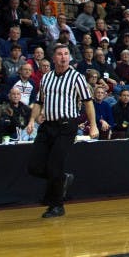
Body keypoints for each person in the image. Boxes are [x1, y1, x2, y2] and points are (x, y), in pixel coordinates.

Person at [25, 44, 97, 218]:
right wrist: (31, 120)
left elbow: (88, 102)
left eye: (66, 54)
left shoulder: (77, 77)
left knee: (54, 165)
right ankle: (62, 178)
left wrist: (93, 125)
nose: (63, 57)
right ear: (53, 58)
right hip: (47, 125)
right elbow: (39, 102)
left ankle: (56, 206)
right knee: (33, 166)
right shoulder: (46, 78)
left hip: (66, 125)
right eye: (60, 54)